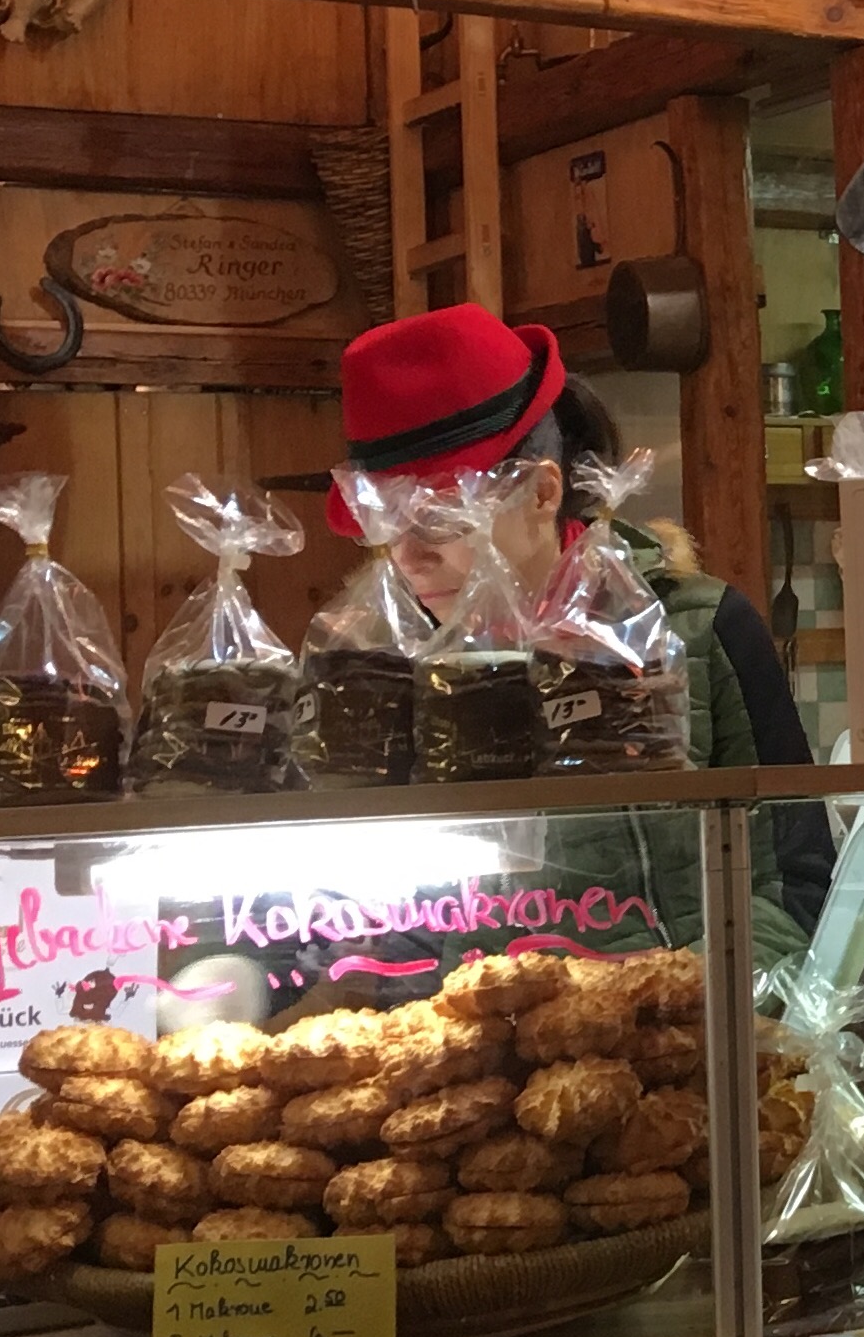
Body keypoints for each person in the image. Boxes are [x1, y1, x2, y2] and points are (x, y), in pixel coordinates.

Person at [333, 303, 835, 961]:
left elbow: (798, 883)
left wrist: (678, 1014)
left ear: (543, 493)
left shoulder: (701, 631)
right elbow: (362, 915)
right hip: (473, 1052)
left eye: (441, 517)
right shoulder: (379, 671)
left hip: (693, 1044)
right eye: (385, 522)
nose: (408, 556)